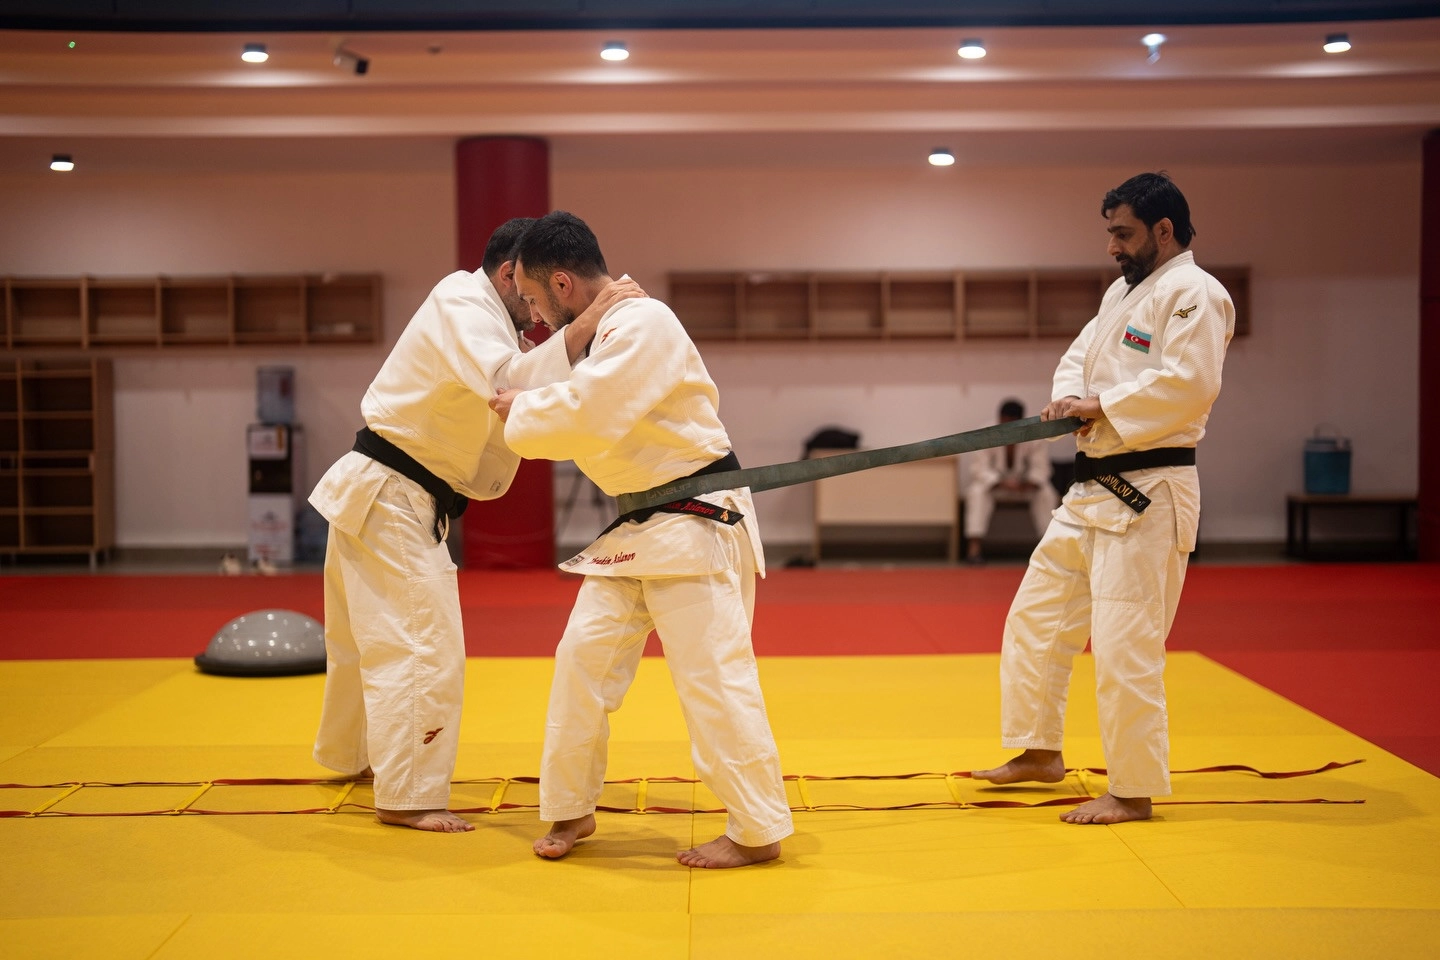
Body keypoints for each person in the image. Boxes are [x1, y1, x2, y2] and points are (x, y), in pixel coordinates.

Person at [309, 218, 643, 833]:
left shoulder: (493, 324)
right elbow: (506, 384)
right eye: (534, 294)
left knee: (363, 641)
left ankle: (352, 756)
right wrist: (592, 317)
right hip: (391, 494)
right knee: (421, 644)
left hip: (382, 491)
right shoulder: (461, 300)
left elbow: (525, 398)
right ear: (510, 274)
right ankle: (408, 794)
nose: (540, 313)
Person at [490, 211, 793, 868]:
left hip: (695, 518)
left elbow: (589, 413)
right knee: (582, 661)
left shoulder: (646, 323)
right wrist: (546, 373)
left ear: (563, 283)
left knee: (712, 676)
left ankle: (757, 828)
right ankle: (571, 804)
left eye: (536, 300)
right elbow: (531, 380)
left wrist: (522, 411)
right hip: (637, 526)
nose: (534, 318)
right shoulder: (599, 330)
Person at [971, 172, 1234, 825]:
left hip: (1150, 490)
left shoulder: (1197, 294)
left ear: (1163, 229)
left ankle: (1133, 788)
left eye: (1123, 233)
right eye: (1110, 232)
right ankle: (1039, 751)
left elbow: (1191, 384)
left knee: (1125, 645)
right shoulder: (1123, 291)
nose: (1113, 246)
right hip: (1091, 488)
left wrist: (1103, 405)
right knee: (1036, 617)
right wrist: (1070, 399)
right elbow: (1079, 356)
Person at [963, 398, 1058, 563]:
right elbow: (979, 468)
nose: (1007, 428)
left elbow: (1041, 468)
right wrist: (1000, 482)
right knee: (977, 492)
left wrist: (1028, 483)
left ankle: (1050, 550)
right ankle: (974, 550)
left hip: (1024, 487)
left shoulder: (1034, 435)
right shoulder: (986, 433)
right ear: (999, 419)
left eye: (1012, 424)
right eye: (1004, 423)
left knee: (1047, 493)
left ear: (1021, 421)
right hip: (996, 486)